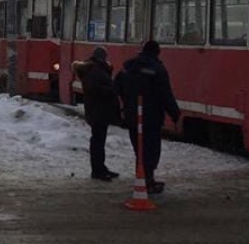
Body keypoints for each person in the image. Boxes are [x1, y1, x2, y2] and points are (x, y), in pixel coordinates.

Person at [117, 39, 181, 194]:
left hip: (132, 116)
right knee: (151, 149)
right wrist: (174, 113)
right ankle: (148, 181)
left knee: (138, 149)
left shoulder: (128, 66)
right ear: (157, 52)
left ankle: (142, 178)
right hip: (151, 118)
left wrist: (128, 101)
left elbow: (116, 86)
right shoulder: (157, 69)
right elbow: (165, 94)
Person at [77, 47, 122, 180]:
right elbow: (96, 89)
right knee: (98, 141)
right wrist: (112, 89)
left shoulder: (95, 69)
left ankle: (100, 167)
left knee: (99, 141)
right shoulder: (95, 70)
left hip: (98, 110)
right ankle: (98, 170)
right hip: (98, 111)